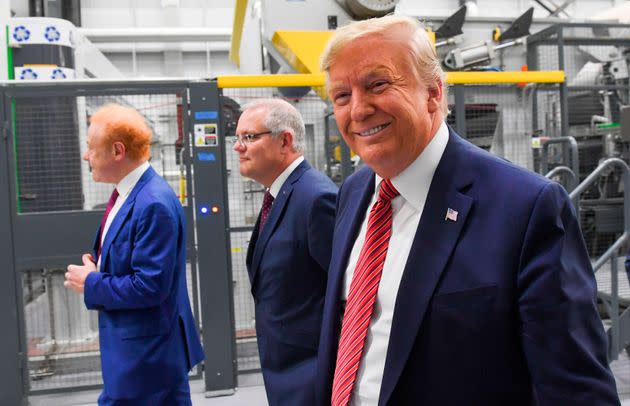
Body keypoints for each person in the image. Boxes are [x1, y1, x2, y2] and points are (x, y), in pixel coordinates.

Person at [315, 15, 619, 406]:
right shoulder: (354, 194)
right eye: (342, 95)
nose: (357, 110)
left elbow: (576, 391)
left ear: (433, 93)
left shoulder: (526, 209)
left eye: (378, 84)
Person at [65, 103, 204, 405]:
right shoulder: (129, 194)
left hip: (146, 356)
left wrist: (92, 282)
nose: (86, 156)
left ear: (117, 150)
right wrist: (99, 264)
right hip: (139, 350)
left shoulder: (152, 202)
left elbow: (150, 286)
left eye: (91, 148)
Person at [234, 99, 337, 405]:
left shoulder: (316, 199)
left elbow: (347, 295)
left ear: (285, 141)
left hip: (312, 375)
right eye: (237, 138)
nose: (238, 147)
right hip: (286, 368)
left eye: (249, 137)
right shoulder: (279, 195)